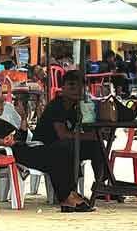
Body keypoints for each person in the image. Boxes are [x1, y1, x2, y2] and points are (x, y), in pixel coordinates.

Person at [33, 71, 105, 211]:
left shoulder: (78, 107)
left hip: (68, 145)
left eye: (80, 86)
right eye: (72, 86)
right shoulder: (57, 106)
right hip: (46, 148)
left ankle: (101, 185)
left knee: (97, 145)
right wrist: (90, 137)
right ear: (63, 88)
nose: (76, 90)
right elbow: (63, 134)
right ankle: (69, 194)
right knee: (69, 146)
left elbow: (83, 130)